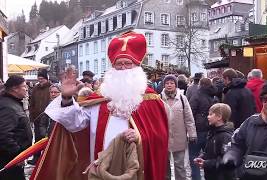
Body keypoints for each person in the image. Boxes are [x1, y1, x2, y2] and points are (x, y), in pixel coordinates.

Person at [32, 31, 169, 180]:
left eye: (128, 64)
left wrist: (140, 136)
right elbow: (76, 124)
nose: (123, 68)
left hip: (133, 168)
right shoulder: (99, 98)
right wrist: (66, 97)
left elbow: (160, 138)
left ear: (137, 67)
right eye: (118, 64)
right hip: (98, 166)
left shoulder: (151, 100)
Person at [160, 74, 197, 180]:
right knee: (164, 166)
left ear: (175, 85)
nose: (169, 85)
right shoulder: (159, 98)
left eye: (172, 83)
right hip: (164, 137)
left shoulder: (182, 98)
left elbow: (189, 118)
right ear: (164, 85)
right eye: (167, 83)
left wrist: (192, 134)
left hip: (179, 137)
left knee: (180, 166)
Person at [0, 75, 33, 180]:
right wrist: (17, 156)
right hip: (9, 160)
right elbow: (4, 135)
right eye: (24, 86)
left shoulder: (13, 103)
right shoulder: (8, 106)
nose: (27, 88)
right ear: (15, 88)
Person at [194, 103, 234, 180]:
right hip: (211, 175)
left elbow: (226, 160)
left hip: (221, 176)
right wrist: (202, 157)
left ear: (219, 117)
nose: (208, 117)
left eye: (211, 114)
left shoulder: (225, 136)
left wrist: (206, 163)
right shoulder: (212, 132)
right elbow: (210, 152)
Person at [188, 78, 218, 180]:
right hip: (211, 130)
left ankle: (196, 178)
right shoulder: (214, 96)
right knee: (209, 157)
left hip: (198, 129)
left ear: (200, 85)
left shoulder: (196, 95)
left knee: (194, 156)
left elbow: (190, 113)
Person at [28, 69, 51, 165]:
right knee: (37, 139)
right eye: (39, 78)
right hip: (37, 118)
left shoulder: (51, 88)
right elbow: (31, 102)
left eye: (42, 78)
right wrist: (32, 114)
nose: (40, 80)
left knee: (47, 138)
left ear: (46, 78)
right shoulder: (35, 88)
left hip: (48, 119)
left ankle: (47, 158)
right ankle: (36, 158)